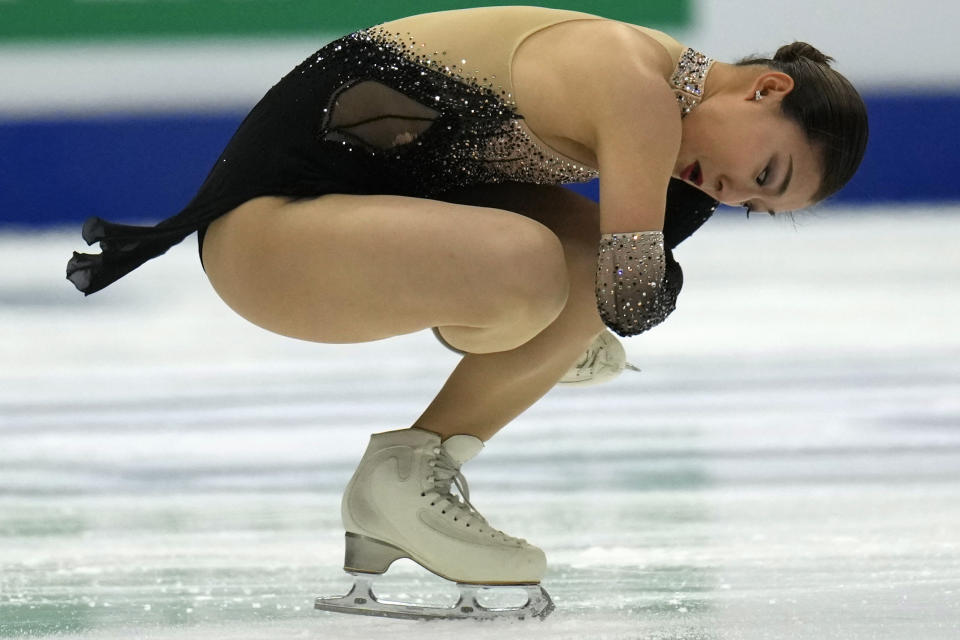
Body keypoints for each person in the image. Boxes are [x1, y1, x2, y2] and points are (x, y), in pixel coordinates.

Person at [66, 5, 868, 620]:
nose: (734, 195)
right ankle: (464, 386)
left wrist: (579, 323)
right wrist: (570, 333)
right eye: (764, 167)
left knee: (573, 276)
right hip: (269, 235)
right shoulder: (637, 89)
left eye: (759, 202)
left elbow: (631, 270)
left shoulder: (665, 91)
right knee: (538, 276)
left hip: (353, 219)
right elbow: (634, 292)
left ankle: (414, 469)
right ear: (767, 88)